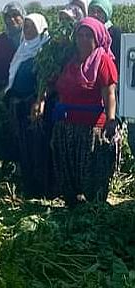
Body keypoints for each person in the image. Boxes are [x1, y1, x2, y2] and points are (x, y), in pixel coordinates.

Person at [48, 17, 119, 206]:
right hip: (67, 127)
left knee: (91, 172)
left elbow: (109, 93)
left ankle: (94, 210)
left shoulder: (103, 61)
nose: (83, 39)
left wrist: (111, 119)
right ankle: (72, 205)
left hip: (91, 129)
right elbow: (53, 84)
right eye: (80, 35)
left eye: (89, 35)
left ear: (98, 39)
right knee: (68, 171)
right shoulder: (69, 60)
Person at [4, 14, 53, 197]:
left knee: (37, 147)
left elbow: (45, 81)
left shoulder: (44, 51)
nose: (27, 30)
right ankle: (28, 187)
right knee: (24, 147)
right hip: (19, 106)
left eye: (31, 26)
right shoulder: (23, 49)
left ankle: (41, 189)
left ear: (40, 28)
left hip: (34, 107)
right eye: (25, 26)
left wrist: (38, 100)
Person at [0, 2, 25, 89]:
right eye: (8, 16)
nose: (12, 19)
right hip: (5, 87)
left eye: (15, 15)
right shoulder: (2, 39)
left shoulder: (30, 38)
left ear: (22, 16)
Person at [89, 0, 121, 71]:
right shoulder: (87, 31)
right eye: (92, 11)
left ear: (106, 14)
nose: (95, 14)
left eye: (99, 11)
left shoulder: (115, 32)